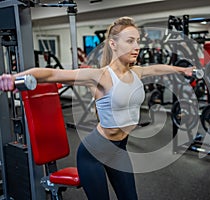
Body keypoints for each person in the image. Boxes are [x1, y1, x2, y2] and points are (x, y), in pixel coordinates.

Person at [0, 16, 194, 200]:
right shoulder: (101, 76)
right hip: (93, 153)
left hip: (119, 148)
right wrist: (15, 78)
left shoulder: (137, 72)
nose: (136, 47)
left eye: (137, 41)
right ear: (113, 44)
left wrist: (182, 70)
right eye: (130, 41)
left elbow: (159, 68)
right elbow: (52, 74)